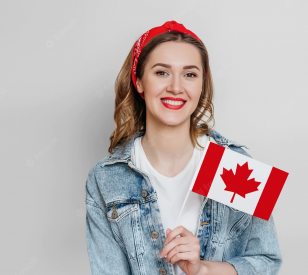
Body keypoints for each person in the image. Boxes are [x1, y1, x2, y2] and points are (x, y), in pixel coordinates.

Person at [85, 20, 282, 275]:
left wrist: (202, 270)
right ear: (139, 81)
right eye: (161, 72)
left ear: (201, 85)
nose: (176, 87)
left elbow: (267, 262)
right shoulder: (106, 178)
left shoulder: (236, 164)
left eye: (189, 74)